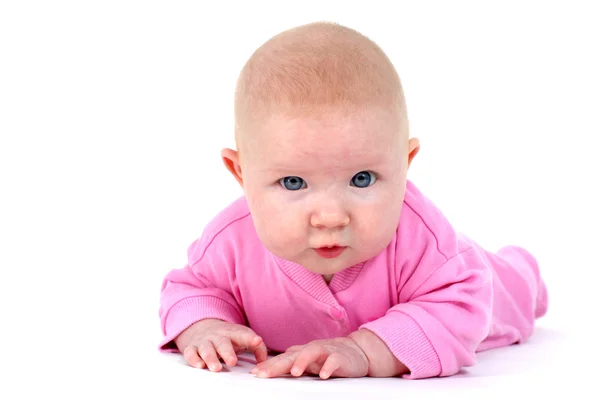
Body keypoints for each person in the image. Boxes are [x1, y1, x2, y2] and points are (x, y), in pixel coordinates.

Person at [157, 21, 548, 380]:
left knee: (515, 285)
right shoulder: (230, 241)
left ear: (404, 164)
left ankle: (524, 272)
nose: (330, 217)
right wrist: (205, 326)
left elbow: (462, 306)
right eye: (293, 182)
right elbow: (190, 289)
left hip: (496, 289)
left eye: (362, 179)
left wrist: (365, 349)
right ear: (241, 174)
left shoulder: (426, 245)